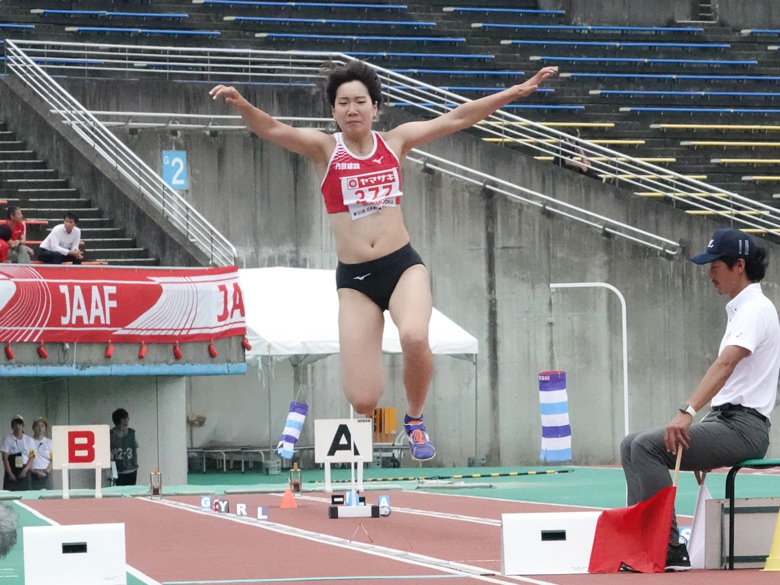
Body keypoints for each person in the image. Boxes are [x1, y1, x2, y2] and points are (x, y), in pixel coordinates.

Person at [210, 62, 558, 461]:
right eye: (343, 103)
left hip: (401, 266)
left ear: (375, 108)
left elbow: (458, 117)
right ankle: (385, 415)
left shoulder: (396, 142)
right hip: (356, 281)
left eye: (360, 101)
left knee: (414, 335)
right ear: (333, 111)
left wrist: (514, 91)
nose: (351, 109)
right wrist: (242, 104)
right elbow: (273, 129)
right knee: (362, 400)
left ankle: (414, 418)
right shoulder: (324, 148)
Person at [621, 228, 780, 572]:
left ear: (739, 265)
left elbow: (724, 366)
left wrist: (688, 412)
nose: (709, 272)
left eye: (715, 265)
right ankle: (640, 542)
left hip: (745, 428)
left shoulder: (755, 309)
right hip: (727, 422)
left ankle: (668, 548)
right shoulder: (741, 309)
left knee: (648, 446)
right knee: (629, 443)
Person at [1, 415, 35, 491]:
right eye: (15, 424)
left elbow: (32, 457)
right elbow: (4, 458)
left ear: (22, 425)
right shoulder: (7, 439)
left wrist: (25, 470)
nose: (17, 426)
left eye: (19, 424)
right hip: (12, 467)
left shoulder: (29, 440)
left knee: (26, 492)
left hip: (24, 468)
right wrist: (10, 473)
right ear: (12, 426)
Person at [110, 408, 138, 486]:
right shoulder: (110, 435)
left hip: (131, 469)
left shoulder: (131, 433)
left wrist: (135, 465)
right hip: (118, 470)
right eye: (127, 418)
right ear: (122, 420)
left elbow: (134, 450)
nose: (128, 420)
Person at [30, 417, 53, 491]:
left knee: (49, 498)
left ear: (45, 428)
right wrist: (34, 471)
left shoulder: (49, 442)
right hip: (32, 473)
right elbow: (27, 459)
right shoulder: (28, 441)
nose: (40, 428)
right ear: (33, 428)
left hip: (46, 473)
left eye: (42, 426)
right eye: (37, 426)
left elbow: (53, 459)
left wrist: (46, 471)